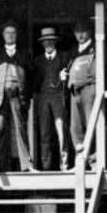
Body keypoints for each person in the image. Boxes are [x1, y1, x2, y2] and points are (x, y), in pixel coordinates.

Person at [0, 20, 34, 172]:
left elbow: (32, 75)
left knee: (20, 128)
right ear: (3, 35)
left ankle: (26, 164)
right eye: (7, 33)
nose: (10, 36)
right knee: (0, 129)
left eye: (13, 33)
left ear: (17, 35)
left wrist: (26, 95)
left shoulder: (24, 55)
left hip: (17, 97)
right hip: (1, 97)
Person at [32, 26, 70, 171]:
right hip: (43, 99)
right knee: (44, 132)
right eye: (45, 42)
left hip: (58, 97)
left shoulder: (64, 58)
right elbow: (34, 82)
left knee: (61, 131)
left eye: (50, 41)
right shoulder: (38, 61)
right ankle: (46, 165)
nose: (48, 44)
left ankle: (64, 164)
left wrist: (64, 78)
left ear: (55, 43)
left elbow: (71, 77)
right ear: (42, 44)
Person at [63, 19, 97, 167]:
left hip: (89, 90)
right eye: (77, 32)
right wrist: (63, 75)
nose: (80, 35)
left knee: (91, 125)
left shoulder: (95, 49)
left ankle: (94, 162)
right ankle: (81, 162)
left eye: (83, 31)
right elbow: (68, 68)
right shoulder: (73, 52)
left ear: (90, 32)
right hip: (74, 92)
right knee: (75, 128)